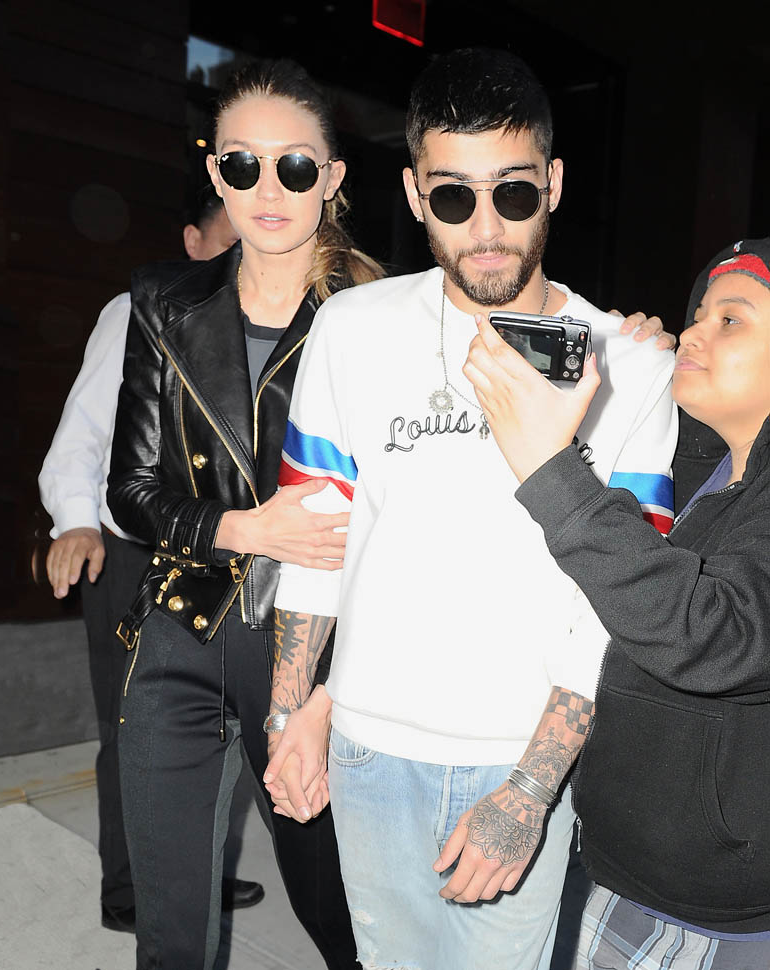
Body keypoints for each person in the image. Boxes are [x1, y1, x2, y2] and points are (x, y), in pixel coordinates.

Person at [263, 48, 677, 970]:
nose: (485, 229)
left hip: (518, 756)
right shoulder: (352, 329)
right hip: (365, 745)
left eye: (513, 193)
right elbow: (315, 535)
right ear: (415, 195)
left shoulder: (629, 365)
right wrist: (291, 712)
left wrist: (529, 789)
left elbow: (616, 609)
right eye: (453, 197)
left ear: (553, 184)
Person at [106, 59, 383, 970]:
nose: (269, 189)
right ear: (216, 174)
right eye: (242, 164)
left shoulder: (378, 317)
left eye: (295, 166)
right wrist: (246, 528)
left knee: (337, 911)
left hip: (310, 646)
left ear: (331, 178)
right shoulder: (162, 301)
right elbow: (130, 491)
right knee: (170, 932)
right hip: (180, 627)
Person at [464, 239, 770, 968]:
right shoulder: (707, 474)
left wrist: (548, 468)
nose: (693, 331)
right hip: (630, 871)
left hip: (720, 917)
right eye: (698, 313)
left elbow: (716, 636)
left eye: (731, 320)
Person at [38, 191, 265, 935]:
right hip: (135, 554)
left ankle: (189, 877)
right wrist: (76, 523)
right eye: (228, 241)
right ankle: (131, 891)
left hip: (226, 556)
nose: (241, 258)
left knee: (215, 726)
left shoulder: (274, 321)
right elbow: (83, 430)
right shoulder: (138, 311)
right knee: (133, 729)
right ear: (192, 242)